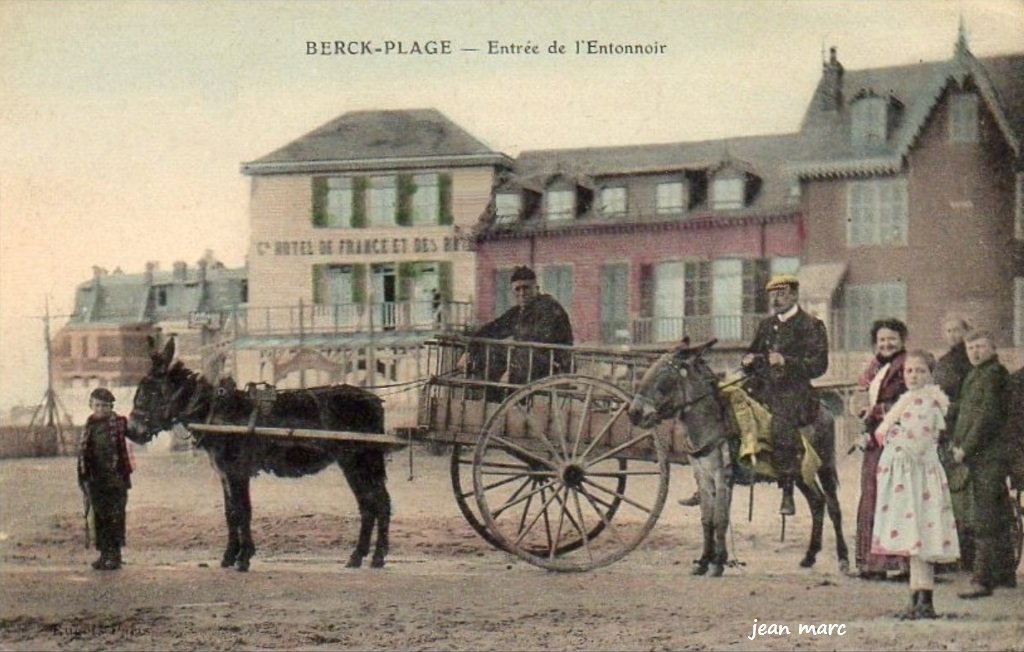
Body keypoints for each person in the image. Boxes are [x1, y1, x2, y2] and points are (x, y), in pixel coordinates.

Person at [870, 350, 960, 619]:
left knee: (924, 532)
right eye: (909, 371)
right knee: (913, 537)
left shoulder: (930, 403)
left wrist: (890, 434)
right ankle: (915, 597)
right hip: (905, 476)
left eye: (920, 371)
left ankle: (926, 599)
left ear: (930, 374)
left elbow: (917, 441)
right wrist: (884, 433)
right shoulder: (907, 400)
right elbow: (881, 430)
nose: (913, 376)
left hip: (919, 476)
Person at [741, 274, 828, 516]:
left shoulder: (811, 325)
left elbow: (819, 365)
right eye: (772, 295)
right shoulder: (766, 325)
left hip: (794, 390)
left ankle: (787, 490)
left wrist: (786, 361)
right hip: (763, 386)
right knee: (731, 405)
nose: (775, 300)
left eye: (781, 294)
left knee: (781, 423)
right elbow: (753, 353)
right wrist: (748, 360)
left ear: (794, 295)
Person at [951, 330, 1015, 598]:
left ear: (993, 348)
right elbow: (967, 413)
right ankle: (1004, 575)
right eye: (971, 348)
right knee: (995, 513)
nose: (975, 352)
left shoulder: (994, 375)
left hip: (990, 456)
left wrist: (966, 448)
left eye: (980, 347)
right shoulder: (975, 375)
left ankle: (982, 580)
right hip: (981, 455)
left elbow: (987, 417)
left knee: (985, 515)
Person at [854, 318, 911, 580]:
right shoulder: (873, 366)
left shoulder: (908, 365)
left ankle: (901, 563)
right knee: (871, 494)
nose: (887, 344)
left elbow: (911, 400)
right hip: (875, 439)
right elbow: (861, 395)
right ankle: (872, 564)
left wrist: (877, 411)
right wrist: (860, 411)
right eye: (882, 340)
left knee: (895, 497)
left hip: (900, 438)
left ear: (902, 341)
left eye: (892, 339)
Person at [462, 266, 573, 390]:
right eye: (517, 289)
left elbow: (537, 344)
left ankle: (497, 396)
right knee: (489, 352)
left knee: (495, 353)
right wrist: (469, 350)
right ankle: (492, 394)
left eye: (526, 288)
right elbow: (493, 329)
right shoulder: (519, 311)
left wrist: (511, 367)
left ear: (536, 288)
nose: (522, 293)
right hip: (531, 361)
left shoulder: (549, 308)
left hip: (554, 366)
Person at [932, 316, 974, 569]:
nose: (952, 335)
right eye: (948, 330)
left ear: (966, 331)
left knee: (962, 493)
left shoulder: (972, 360)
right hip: (944, 429)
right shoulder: (944, 361)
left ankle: (967, 553)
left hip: (962, 429)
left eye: (957, 330)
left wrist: (950, 409)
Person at [77, 387, 133, 571]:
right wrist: (83, 477)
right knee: (99, 517)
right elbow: (83, 453)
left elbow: (135, 436)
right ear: (91, 405)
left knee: (115, 517)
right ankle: (103, 554)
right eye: (97, 405)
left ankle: (114, 556)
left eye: (105, 406)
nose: (100, 409)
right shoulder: (89, 424)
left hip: (116, 478)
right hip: (96, 479)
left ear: (111, 407)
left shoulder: (120, 423)